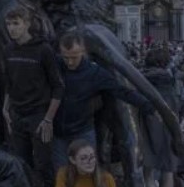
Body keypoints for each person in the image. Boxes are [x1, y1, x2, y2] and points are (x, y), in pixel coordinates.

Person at [52, 32, 155, 170]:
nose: (70, 62)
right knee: (61, 174)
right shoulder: (55, 65)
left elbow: (121, 91)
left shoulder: (95, 73)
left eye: (74, 57)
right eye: (66, 57)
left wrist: (147, 105)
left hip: (83, 131)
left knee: (87, 173)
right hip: (59, 134)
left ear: (83, 51)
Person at [1, 6, 64, 187]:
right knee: (22, 164)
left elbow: (58, 87)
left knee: (43, 165)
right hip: (17, 115)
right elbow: (9, 82)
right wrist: (5, 109)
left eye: (16, 24)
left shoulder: (43, 50)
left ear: (27, 24)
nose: (12, 28)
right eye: (9, 24)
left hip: (39, 115)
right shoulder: (8, 49)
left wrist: (48, 119)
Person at [140, 47, 180, 187]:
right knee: (168, 171)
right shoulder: (171, 81)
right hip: (169, 130)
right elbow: (178, 106)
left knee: (147, 171)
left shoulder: (141, 79)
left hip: (148, 129)